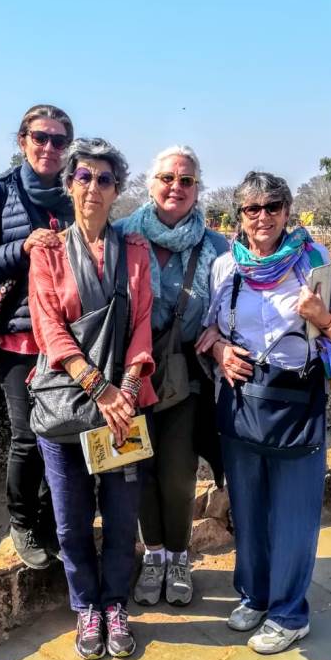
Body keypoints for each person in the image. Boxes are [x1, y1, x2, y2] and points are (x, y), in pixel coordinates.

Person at [197, 171, 331, 654]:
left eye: (272, 207)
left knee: (293, 513)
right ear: (239, 216)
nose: (262, 217)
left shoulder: (313, 263)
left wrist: (318, 316)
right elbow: (210, 332)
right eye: (252, 209)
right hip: (243, 400)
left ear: (287, 212)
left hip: (296, 400)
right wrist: (221, 350)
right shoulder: (227, 268)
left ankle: (289, 613)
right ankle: (255, 596)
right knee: (247, 505)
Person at [28, 138, 156, 660]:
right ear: (69, 186)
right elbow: (49, 329)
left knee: (123, 518)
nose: (93, 188)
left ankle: (115, 604)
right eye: (83, 177)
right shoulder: (49, 253)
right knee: (70, 520)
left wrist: (125, 391)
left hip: (122, 410)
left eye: (104, 179)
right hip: (67, 408)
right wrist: (99, 388)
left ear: (118, 190)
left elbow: (143, 324)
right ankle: (86, 607)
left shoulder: (135, 253)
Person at [116, 146, 229, 607]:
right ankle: (155, 556)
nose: (175, 188)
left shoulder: (216, 247)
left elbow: (234, 301)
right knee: (137, 470)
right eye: (167, 178)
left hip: (186, 375)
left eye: (186, 181)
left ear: (197, 188)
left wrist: (219, 328)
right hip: (129, 373)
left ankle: (179, 557)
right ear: (150, 183)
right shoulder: (122, 237)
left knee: (178, 471)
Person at [0, 104, 75, 570]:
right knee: (28, 437)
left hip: (69, 338)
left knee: (67, 434)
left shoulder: (76, 193)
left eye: (58, 140)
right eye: (40, 137)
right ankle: (23, 522)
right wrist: (23, 246)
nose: (49, 147)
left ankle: (55, 520)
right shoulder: (1, 193)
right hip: (19, 337)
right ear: (22, 140)